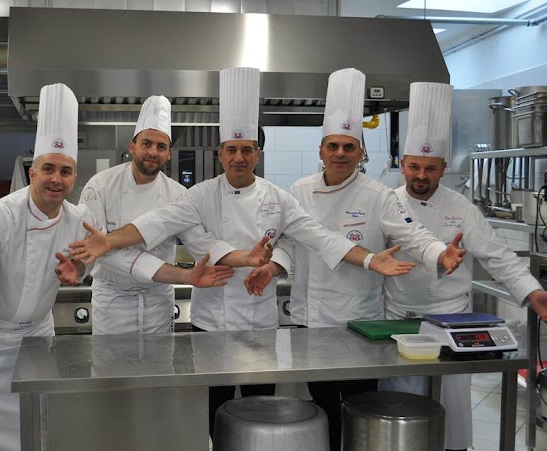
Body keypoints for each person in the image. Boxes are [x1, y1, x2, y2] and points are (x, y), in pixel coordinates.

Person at [68, 67, 418, 435]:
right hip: (211, 322)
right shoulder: (199, 194)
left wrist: (366, 257)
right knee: (215, 413)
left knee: (259, 412)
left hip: (259, 325)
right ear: (220, 154)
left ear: (257, 154)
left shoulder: (277, 198)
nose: (238, 157)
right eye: (231, 149)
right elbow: (158, 223)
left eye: (246, 150)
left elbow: (314, 235)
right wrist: (107, 241)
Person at [0, 83, 230, 451]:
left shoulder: (78, 217)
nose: (56, 179)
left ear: (73, 178)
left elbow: (90, 257)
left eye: (65, 172)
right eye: (48, 169)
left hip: (40, 332)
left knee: (41, 420)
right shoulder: (2, 213)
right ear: (32, 173)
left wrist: (80, 271)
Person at [243, 68, 466, 451]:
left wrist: (437, 252)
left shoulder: (379, 196)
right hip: (309, 321)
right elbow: (293, 243)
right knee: (323, 406)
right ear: (321, 151)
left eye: (349, 147)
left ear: (360, 153)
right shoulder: (298, 190)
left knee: (360, 407)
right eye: (334, 146)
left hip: (358, 323)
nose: (341, 154)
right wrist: (273, 267)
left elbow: (412, 233)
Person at [378, 81, 547, 451]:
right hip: (399, 318)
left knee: (452, 410)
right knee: (401, 408)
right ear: (403, 165)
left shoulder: (461, 207)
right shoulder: (386, 202)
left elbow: (497, 254)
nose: (421, 176)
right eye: (414, 167)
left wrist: (533, 293)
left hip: (452, 319)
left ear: (441, 168)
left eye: (431, 168)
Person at [79, 95, 234, 334]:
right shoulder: (99, 186)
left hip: (158, 302)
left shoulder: (178, 194)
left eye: (161, 147)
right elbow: (97, 249)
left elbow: (200, 243)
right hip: (112, 302)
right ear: (132, 146)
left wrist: (245, 258)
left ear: (169, 153)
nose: (153, 152)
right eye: (147, 144)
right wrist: (183, 275)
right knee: (110, 369)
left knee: (160, 368)